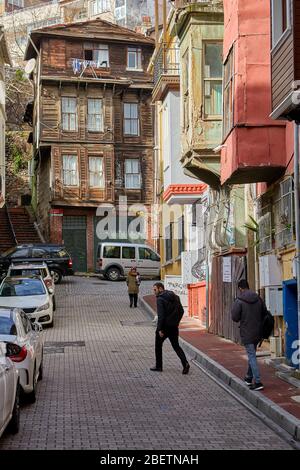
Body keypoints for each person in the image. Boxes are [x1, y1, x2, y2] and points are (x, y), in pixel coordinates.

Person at [231, 279, 267, 391]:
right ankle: (248, 377)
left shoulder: (239, 300)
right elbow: (264, 312)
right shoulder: (258, 298)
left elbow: (235, 317)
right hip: (258, 332)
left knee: (252, 356)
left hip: (247, 332)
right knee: (252, 354)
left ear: (240, 288)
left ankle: (257, 382)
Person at [150, 282, 190, 374]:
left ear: (160, 289)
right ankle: (185, 363)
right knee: (176, 346)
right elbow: (182, 311)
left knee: (158, 346)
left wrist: (159, 329)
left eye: (155, 289)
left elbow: (161, 316)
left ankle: (159, 366)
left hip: (164, 327)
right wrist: (176, 322)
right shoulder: (175, 297)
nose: (154, 292)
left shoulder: (160, 299)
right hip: (174, 327)